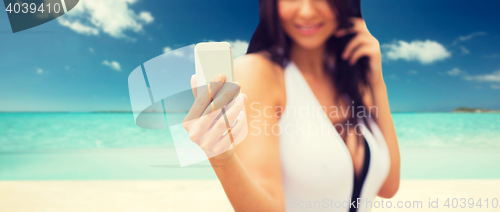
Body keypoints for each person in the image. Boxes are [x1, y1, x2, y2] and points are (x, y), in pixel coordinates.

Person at [182, 0, 400, 211]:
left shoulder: (350, 79)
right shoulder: (258, 73)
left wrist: (376, 81)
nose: (306, 11)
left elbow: (387, 186)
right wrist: (221, 155)